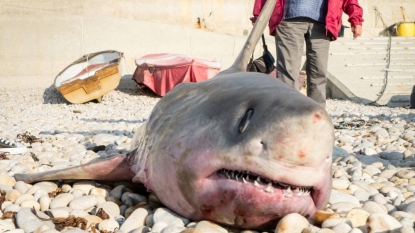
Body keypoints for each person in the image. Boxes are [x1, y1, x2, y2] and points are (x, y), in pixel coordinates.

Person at [252, 0, 363, 107]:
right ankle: (288, 117)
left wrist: (356, 18)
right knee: (287, 75)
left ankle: (316, 118)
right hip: (287, 18)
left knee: (319, 73)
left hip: (323, 21)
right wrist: (259, 16)